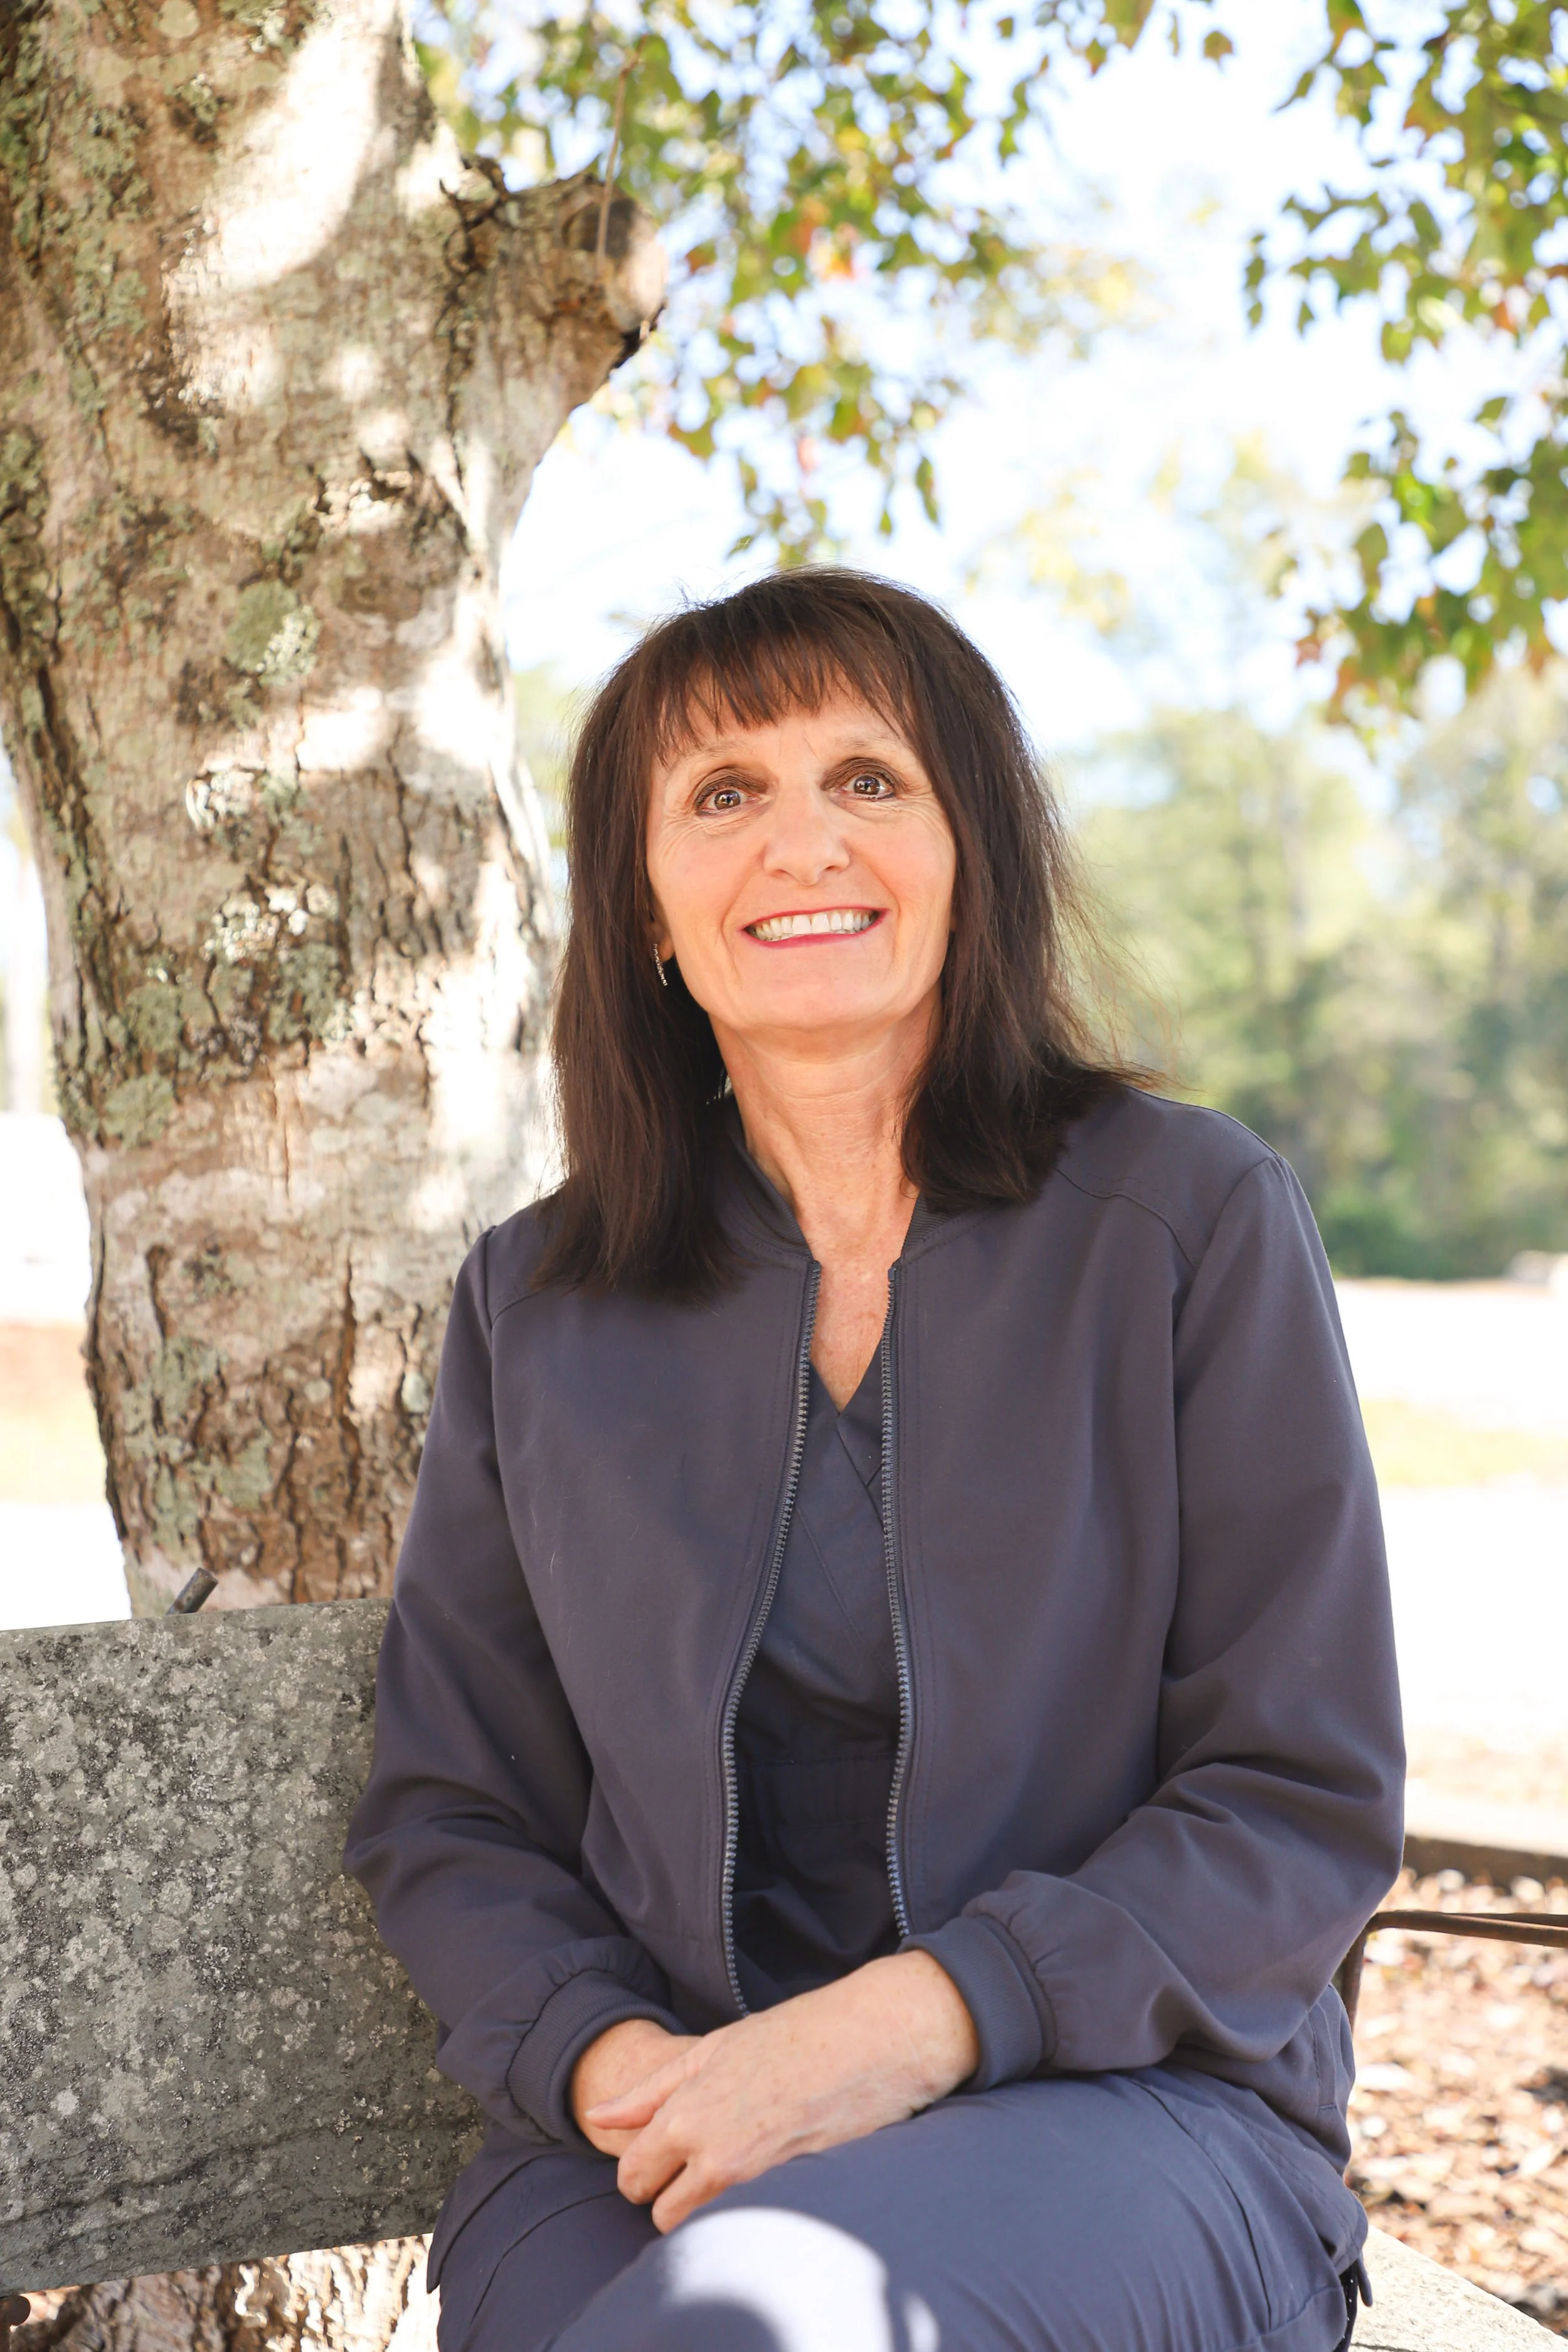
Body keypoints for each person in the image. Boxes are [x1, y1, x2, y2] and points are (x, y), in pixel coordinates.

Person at [344, 569, 1403, 2352]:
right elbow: (457, 1806)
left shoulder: (1184, 1218)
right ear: (647, 913)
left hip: (1135, 2108)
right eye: (721, 793)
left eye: (867, 777)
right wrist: (613, 2062)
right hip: (649, 2125)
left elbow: (1291, 1794)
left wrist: (883, 2035)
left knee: (748, 2323)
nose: (800, 841)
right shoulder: (540, 1300)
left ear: (966, 849)